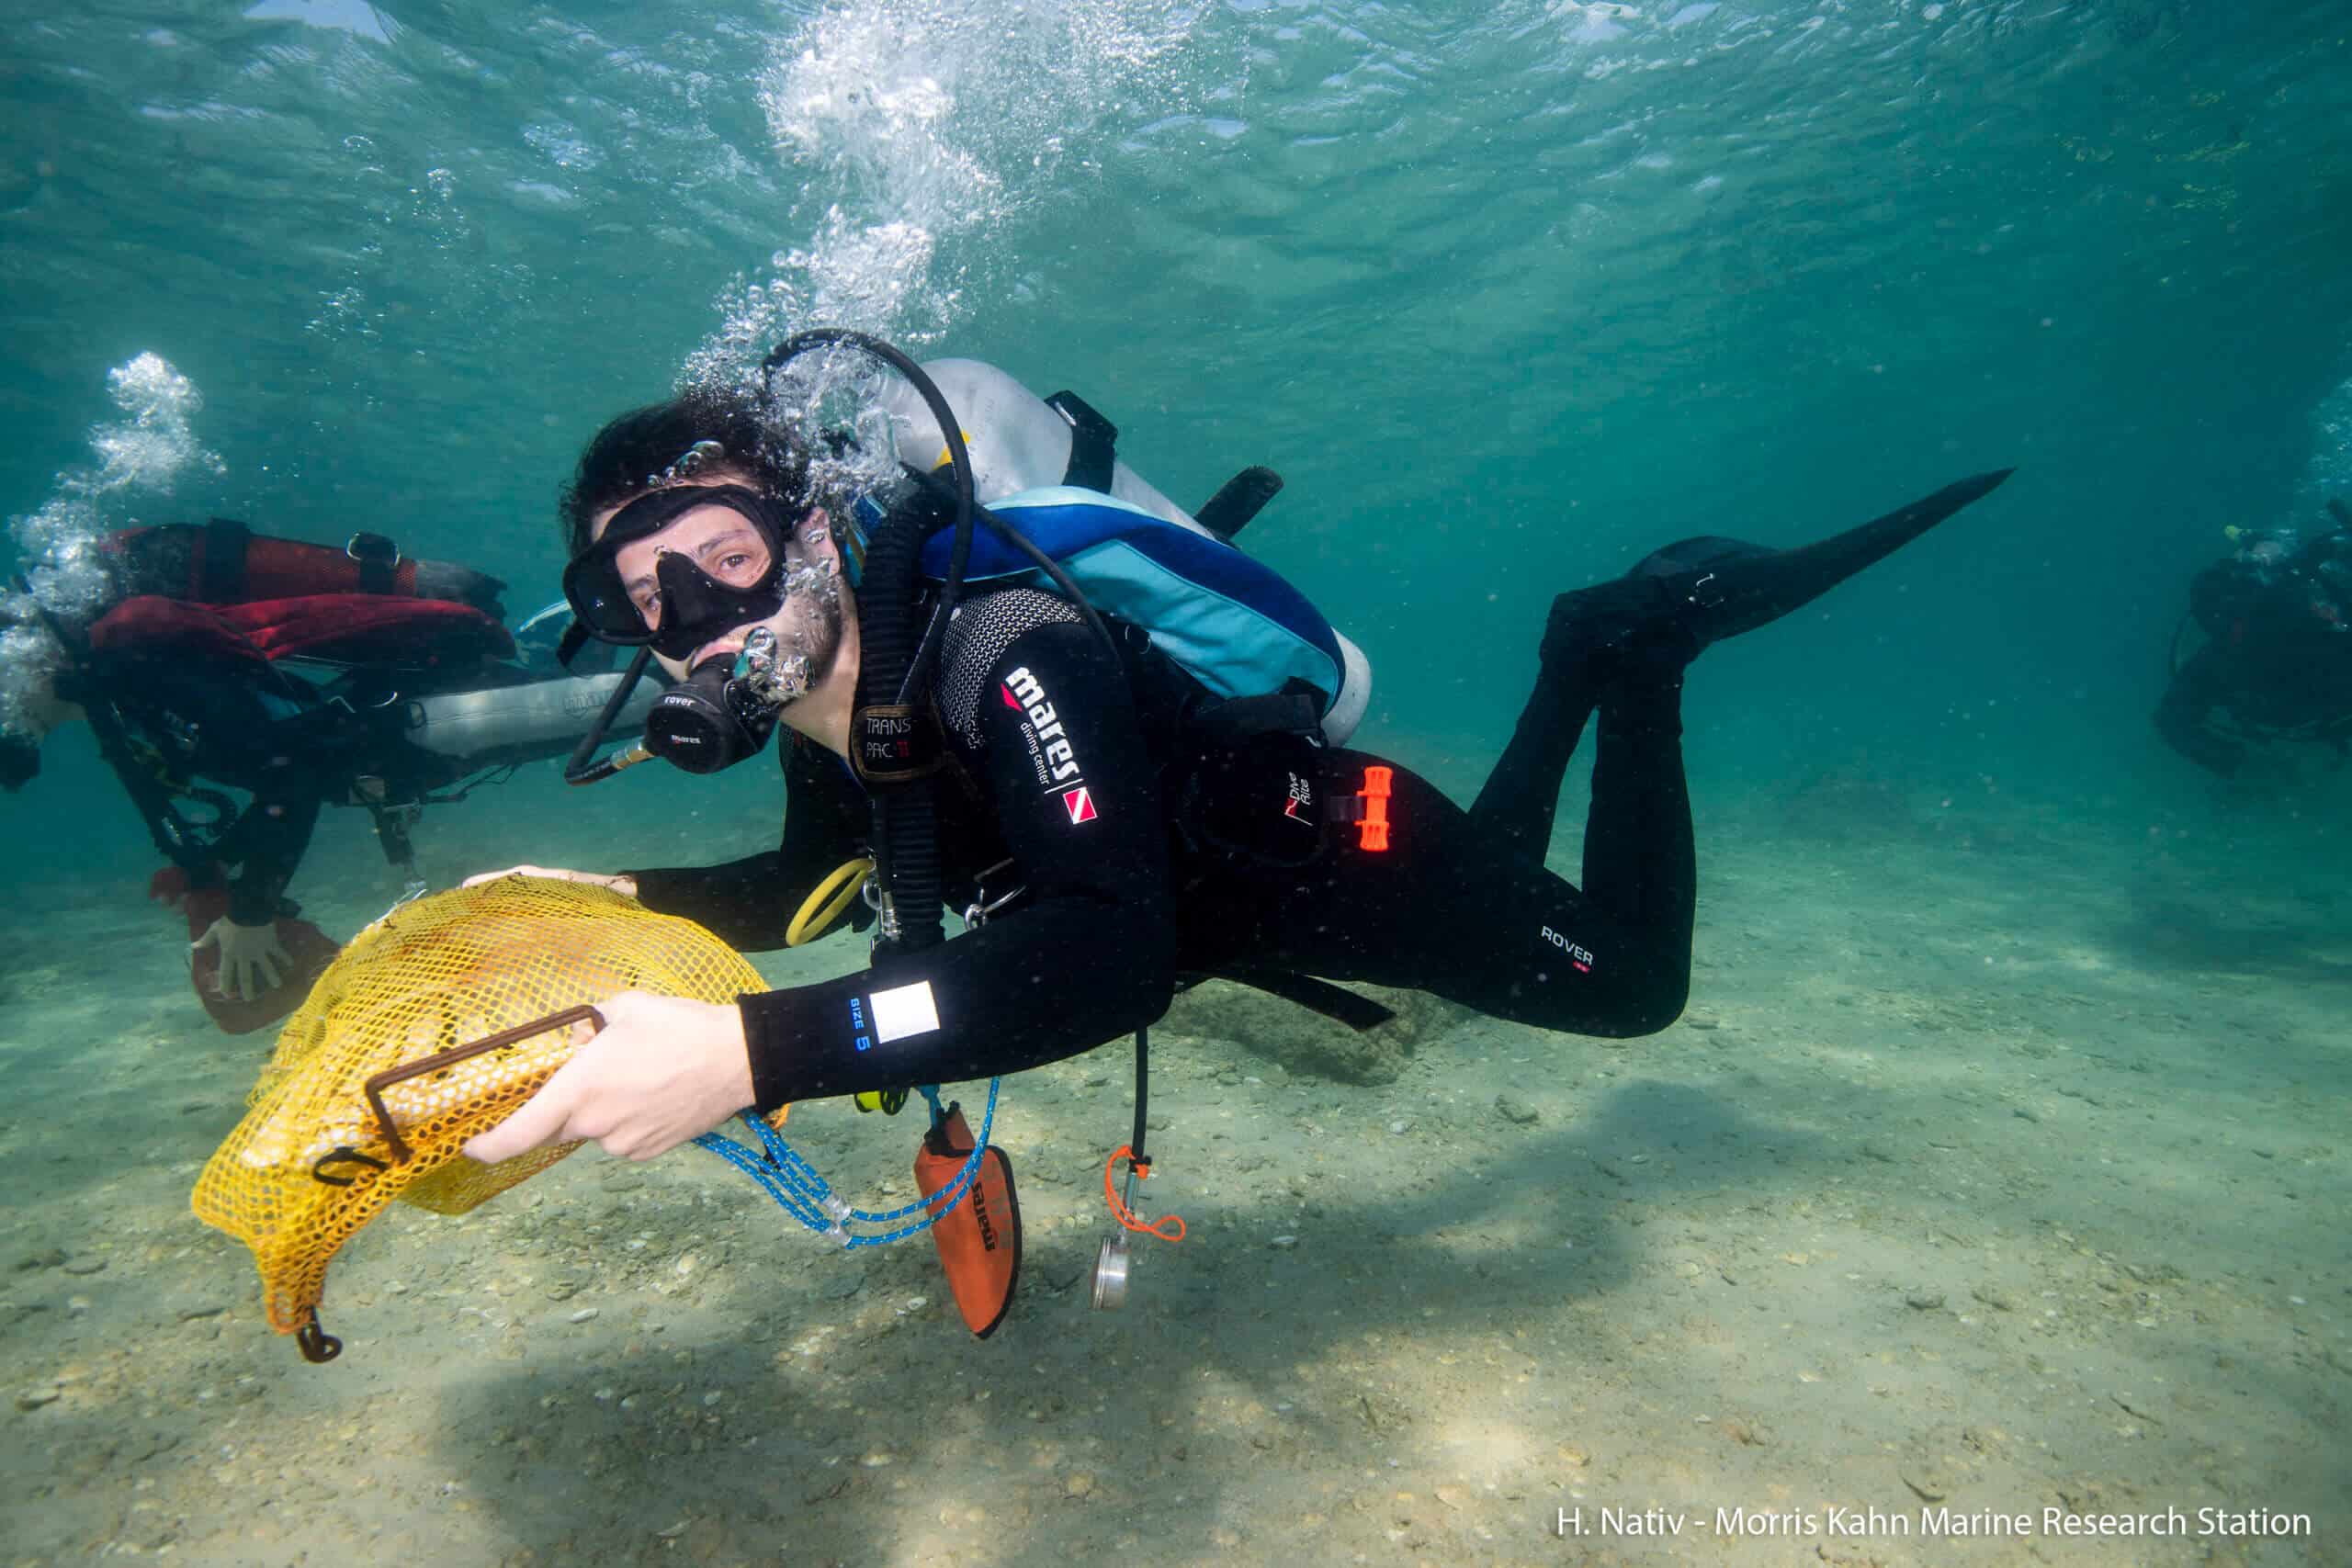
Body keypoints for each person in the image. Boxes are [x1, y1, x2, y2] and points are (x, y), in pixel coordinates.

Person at [463, 349, 2012, 1169]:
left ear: (812, 532)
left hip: (1345, 854)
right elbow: (818, 878)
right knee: (1488, 968)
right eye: (636, 596)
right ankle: (1588, 652)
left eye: (721, 556)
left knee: (1631, 987)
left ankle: (1630, 647)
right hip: (1226, 902)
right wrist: (611, 890)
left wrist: (750, 1054)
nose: (692, 621)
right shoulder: (835, 701)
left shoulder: (1005, 647)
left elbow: (1103, 955)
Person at [0, 518, 653, 1031]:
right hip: (409, 726)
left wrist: (253, 912)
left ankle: (690, 615)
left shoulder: (141, 669)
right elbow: (277, 753)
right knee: (579, 678)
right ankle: (618, 616)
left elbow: (293, 764)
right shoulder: (123, 687)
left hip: (422, 728)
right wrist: (222, 859)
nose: (21, 729)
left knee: (647, 700)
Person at [2154, 502, 2352, 778]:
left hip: (2315, 685)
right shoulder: (2230, 580)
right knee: (2171, 719)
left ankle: (2254, 773)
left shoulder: (2312, 578)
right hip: (2244, 674)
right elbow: (2208, 606)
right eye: (2262, 546)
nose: (2270, 553)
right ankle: (2246, 774)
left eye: (2276, 547)